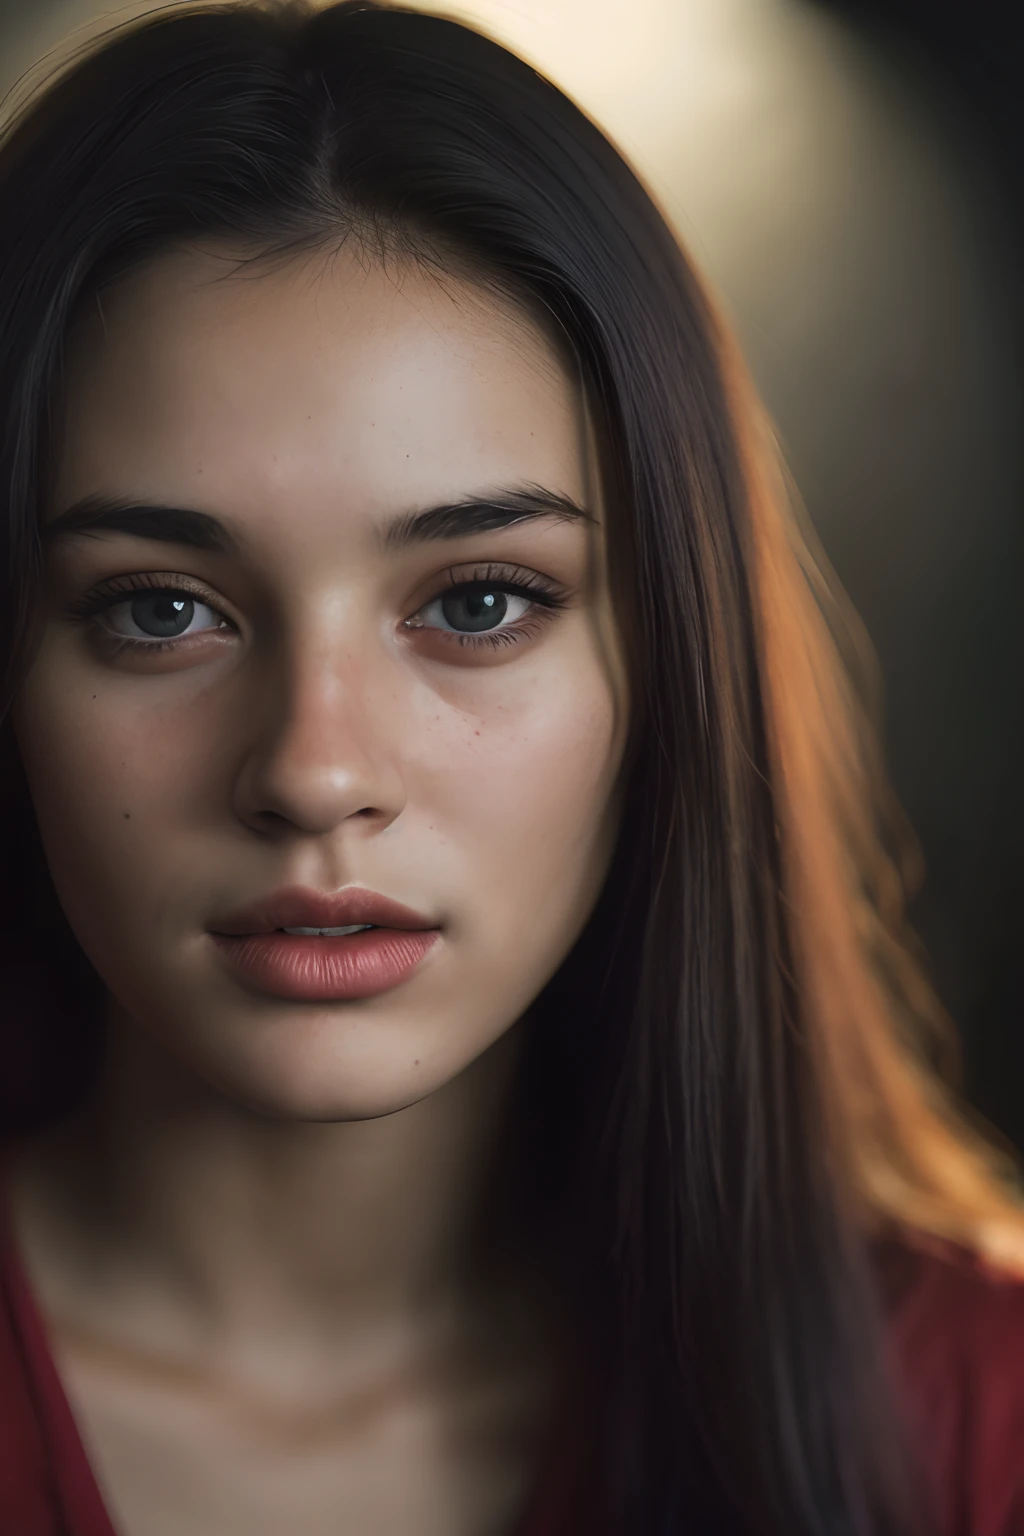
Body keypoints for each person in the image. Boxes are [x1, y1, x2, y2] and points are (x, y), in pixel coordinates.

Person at [0, 2, 1022, 1532]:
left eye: (479, 602)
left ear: (669, 666)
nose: (314, 770)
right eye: (161, 610)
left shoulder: (974, 1417)